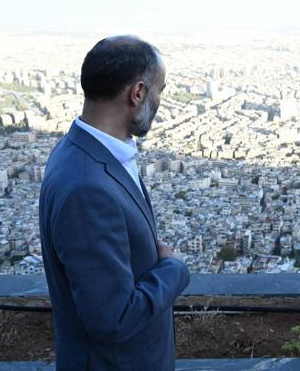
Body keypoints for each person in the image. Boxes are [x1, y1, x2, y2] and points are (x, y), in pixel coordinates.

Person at [39, 36, 190, 371]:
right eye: (159, 91)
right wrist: (174, 270)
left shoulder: (84, 151)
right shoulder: (86, 188)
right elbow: (113, 319)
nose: (160, 101)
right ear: (137, 93)